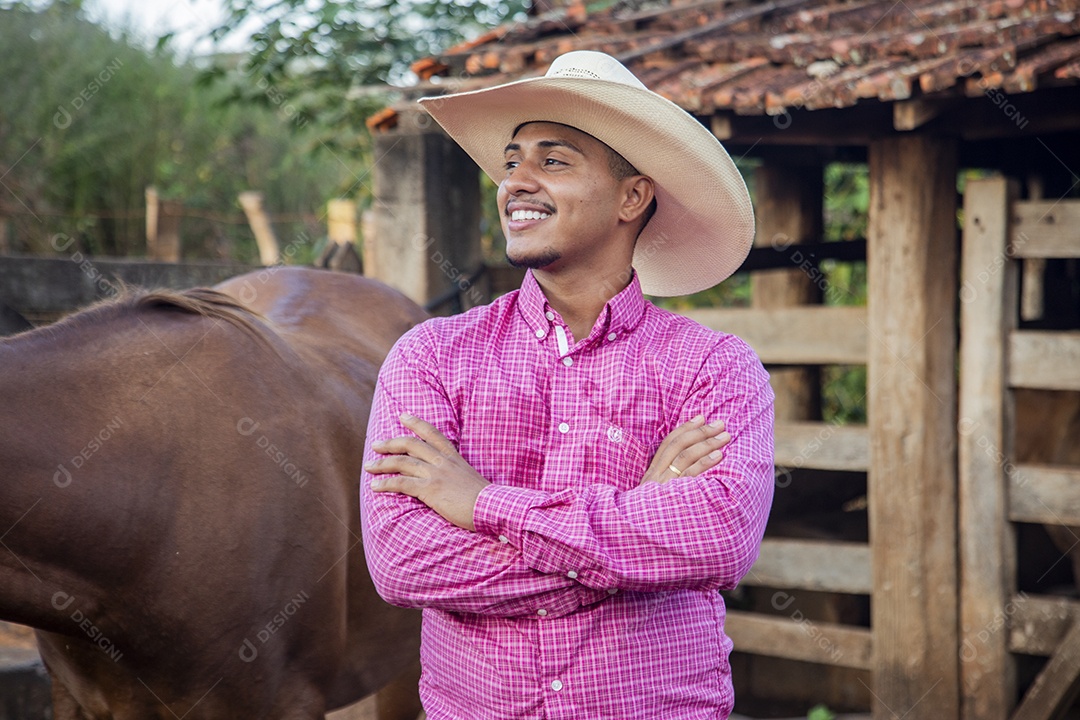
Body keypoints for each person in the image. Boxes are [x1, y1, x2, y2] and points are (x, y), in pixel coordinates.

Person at [361, 50, 775, 720]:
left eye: (553, 161)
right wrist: (635, 526)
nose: (515, 183)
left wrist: (483, 503)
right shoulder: (430, 358)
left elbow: (718, 538)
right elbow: (402, 562)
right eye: (512, 161)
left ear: (632, 197)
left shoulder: (714, 367)